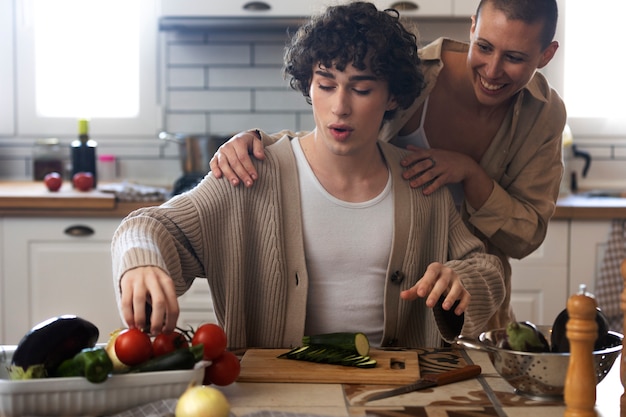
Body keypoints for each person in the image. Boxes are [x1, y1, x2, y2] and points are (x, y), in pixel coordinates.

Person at [111, 1, 504, 350]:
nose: (340, 107)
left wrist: (462, 280)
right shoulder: (251, 173)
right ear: (308, 86)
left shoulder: (421, 184)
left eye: (362, 89)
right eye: (326, 85)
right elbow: (148, 225)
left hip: (396, 391)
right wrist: (142, 262)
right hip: (278, 392)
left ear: (393, 97)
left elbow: (487, 269)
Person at [209, 0, 566, 330]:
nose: (492, 69)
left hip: (470, 301)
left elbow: (525, 237)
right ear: (472, 27)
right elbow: (337, 132)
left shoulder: (544, 115)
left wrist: (470, 172)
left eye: (515, 57)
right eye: (484, 47)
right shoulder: (416, 74)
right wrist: (261, 143)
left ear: (546, 54)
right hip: (392, 297)